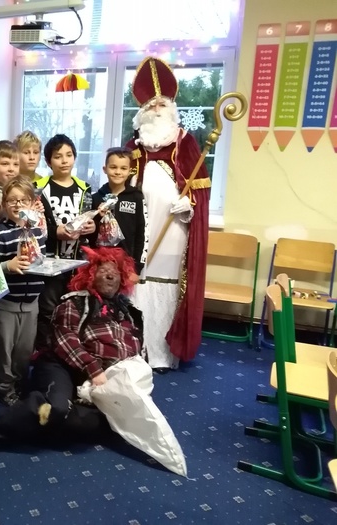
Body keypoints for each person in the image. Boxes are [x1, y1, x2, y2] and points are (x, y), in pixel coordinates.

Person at [0, 247, 142, 464]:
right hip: (63, 366)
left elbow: (135, 350)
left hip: (105, 378)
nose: (110, 276)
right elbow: (65, 339)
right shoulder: (75, 302)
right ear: (90, 274)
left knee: (110, 420)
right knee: (55, 408)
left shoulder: (128, 312)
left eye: (114, 272)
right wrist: (94, 369)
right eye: (104, 271)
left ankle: (49, 421)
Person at [124, 57, 210, 373]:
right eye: (152, 105)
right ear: (142, 111)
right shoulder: (133, 146)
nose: (157, 109)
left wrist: (190, 205)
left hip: (174, 227)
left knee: (165, 283)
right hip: (140, 228)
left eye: (163, 104)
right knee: (139, 283)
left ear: (171, 108)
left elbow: (200, 189)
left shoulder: (184, 142)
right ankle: (137, 349)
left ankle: (162, 353)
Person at [35, 134, 95, 352]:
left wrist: (92, 227)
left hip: (77, 262)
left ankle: (72, 352)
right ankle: (45, 353)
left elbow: (91, 220)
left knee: (74, 308)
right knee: (47, 309)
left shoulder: (85, 188)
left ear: (75, 157)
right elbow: (33, 224)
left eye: (69, 155)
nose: (64, 160)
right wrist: (54, 232)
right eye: (58, 156)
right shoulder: (38, 188)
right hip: (48, 263)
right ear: (48, 161)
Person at [0, 176, 46, 405]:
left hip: (32, 303)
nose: (18, 205)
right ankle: (5, 389)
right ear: (5, 203)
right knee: (5, 350)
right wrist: (8, 266)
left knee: (25, 350)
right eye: (12, 200)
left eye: (23, 200)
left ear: (32, 203)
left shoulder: (38, 232)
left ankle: (21, 385)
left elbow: (43, 260)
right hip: (7, 304)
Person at [90, 147, 147, 274]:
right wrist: (98, 217)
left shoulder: (137, 197)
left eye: (123, 168)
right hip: (99, 265)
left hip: (127, 266)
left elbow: (143, 233)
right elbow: (90, 235)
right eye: (113, 167)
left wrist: (137, 268)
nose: (118, 172)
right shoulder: (96, 198)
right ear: (105, 169)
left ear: (130, 171)